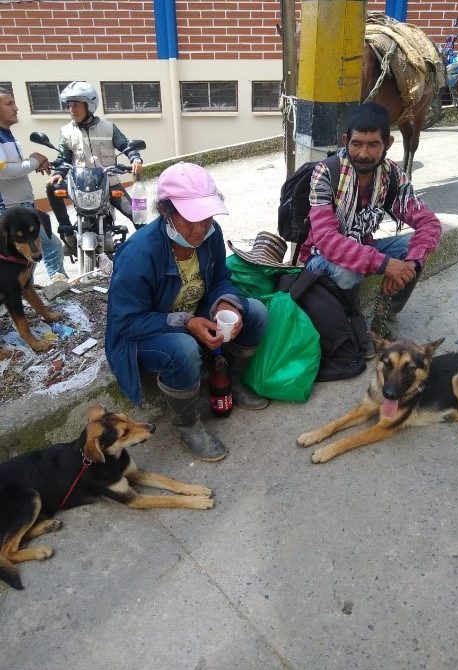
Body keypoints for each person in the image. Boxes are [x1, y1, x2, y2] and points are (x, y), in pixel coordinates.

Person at [105, 162, 269, 462]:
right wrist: (187, 322)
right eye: (190, 219)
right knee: (183, 348)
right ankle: (187, 423)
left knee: (255, 311)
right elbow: (127, 321)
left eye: (206, 217)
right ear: (167, 213)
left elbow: (221, 279)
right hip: (144, 330)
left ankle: (230, 382)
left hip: (192, 312)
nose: (200, 228)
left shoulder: (210, 234)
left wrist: (226, 303)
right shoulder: (138, 254)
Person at [300, 102, 442, 355]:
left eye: (373, 144)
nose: (363, 154)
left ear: (387, 143)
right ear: (346, 141)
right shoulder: (326, 173)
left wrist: (408, 267)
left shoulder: (392, 176)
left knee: (416, 248)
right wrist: (385, 264)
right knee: (347, 271)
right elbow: (327, 240)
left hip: (363, 248)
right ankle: (349, 325)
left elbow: (429, 223)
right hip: (318, 259)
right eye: (356, 144)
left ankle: (382, 322)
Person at [46, 81, 143, 248]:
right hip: (80, 185)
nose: (71, 110)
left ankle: (146, 253)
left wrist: (135, 158)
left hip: (109, 183)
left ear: (88, 105)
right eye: (69, 106)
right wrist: (58, 174)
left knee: (138, 217)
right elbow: (63, 157)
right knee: (52, 188)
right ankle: (67, 230)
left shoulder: (108, 128)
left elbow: (126, 145)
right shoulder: (66, 131)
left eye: (76, 105)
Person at [0, 87, 67, 282]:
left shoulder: (8, 135)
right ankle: (58, 284)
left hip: (21, 206)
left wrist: (33, 163)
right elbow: (3, 170)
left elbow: (14, 167)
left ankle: (28, 290)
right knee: (49, 246)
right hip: (10, 211)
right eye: (9, 103)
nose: (16, 108)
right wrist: (33, 162)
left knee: (28, 256)